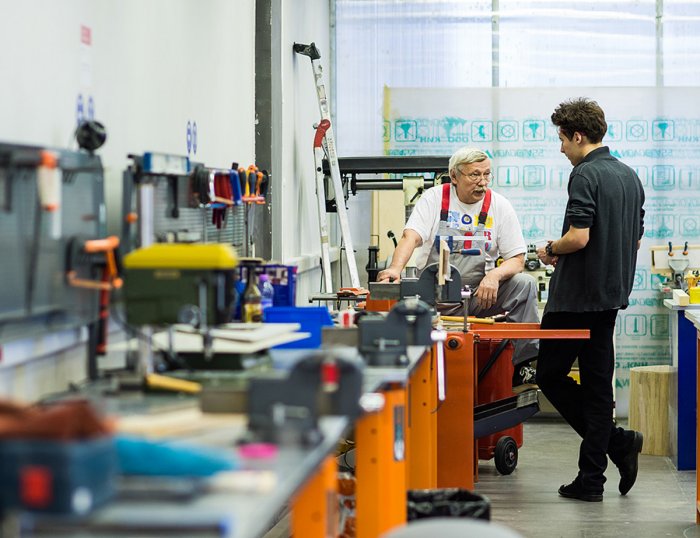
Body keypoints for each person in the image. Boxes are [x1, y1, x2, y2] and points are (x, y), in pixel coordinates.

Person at [535, 98, 646, 502]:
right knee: (598, 389)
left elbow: (579, 237)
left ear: (578, 136)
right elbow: (635, 239)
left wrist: (551, 248)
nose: (561, 148)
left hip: (575, 300)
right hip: (610, 296)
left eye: (563, 139)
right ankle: (593, 477)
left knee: (549, 376)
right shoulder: (629, 175)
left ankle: (616, 445)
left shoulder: (585, 173)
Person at [377, 146, 539, 383]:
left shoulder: (499, 205)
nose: (482, 182)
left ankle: (523, 367)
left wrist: (494, 275)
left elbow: (517, 259)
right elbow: (411, 237)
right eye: (474, 175)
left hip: (479, 296)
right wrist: (394, 269)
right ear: (454, 176)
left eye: (487, 174)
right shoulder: (434, 199)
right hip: (434, 298)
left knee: (524, 284)